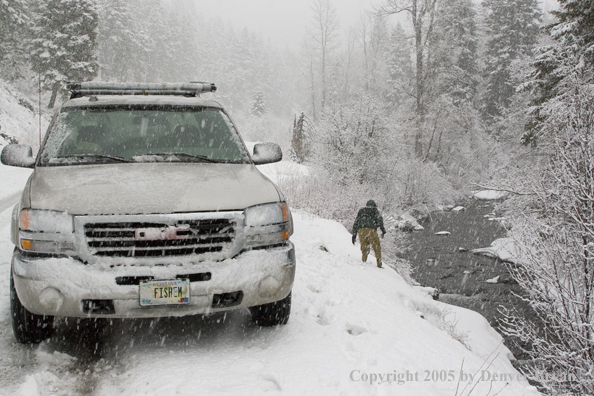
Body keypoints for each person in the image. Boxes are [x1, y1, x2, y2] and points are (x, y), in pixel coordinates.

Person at [352, 200, 386, 268]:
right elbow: (380, 220)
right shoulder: (375, 210)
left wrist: (354, 234)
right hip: (371, 230)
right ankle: (379, 262)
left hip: (361, 230)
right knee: (376, 246)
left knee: (364, 247)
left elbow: (356, 222)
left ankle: (363, 261)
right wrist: (383, 230)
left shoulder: (361, 211)